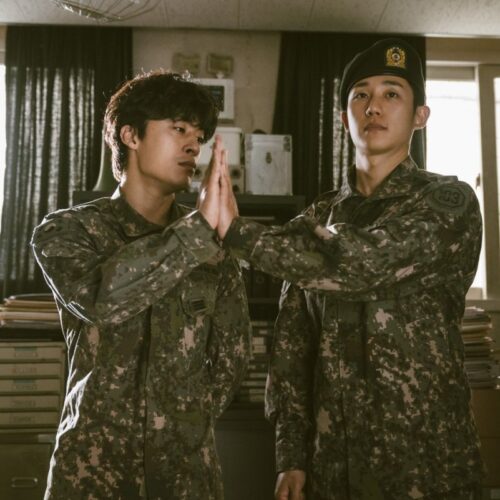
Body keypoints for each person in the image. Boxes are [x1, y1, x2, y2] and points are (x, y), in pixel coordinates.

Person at [213, 39, 485, 499]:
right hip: (333, 468)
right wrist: (291, 456)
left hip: (427, 466)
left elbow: (366, 264)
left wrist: (236, 232)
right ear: (344, 119)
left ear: (420, 116)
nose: (373, 106)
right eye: (361, 95)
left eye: (391, 93)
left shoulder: (448, 203)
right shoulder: (318, 216)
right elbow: (292, 350)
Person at [31, 70, 251, 499]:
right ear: (130, 135)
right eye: (179, 128)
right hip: (93, 472)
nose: (194, 145)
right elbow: (101, 300)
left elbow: (232, 358)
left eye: (200, 136)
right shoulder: (69, 231)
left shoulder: (213, 246)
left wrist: (181, 421)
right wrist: (197, 229)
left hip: (185, 475)